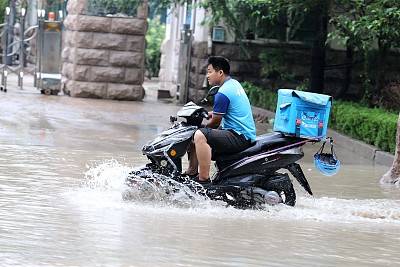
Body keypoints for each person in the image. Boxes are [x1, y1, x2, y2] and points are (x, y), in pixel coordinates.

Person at [185, 56, 256, 183]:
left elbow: (216, 122)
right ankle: (191, 172)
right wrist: (211, 114)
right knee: (197, 133)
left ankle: (203, 180)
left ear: (220, 72)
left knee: (200, 135)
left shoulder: (222, 93)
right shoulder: (233, 84)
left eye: (210, 71)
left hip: (239, 136)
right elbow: (227, 111)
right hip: (243, 134)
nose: (207, 75)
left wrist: (203, 129)